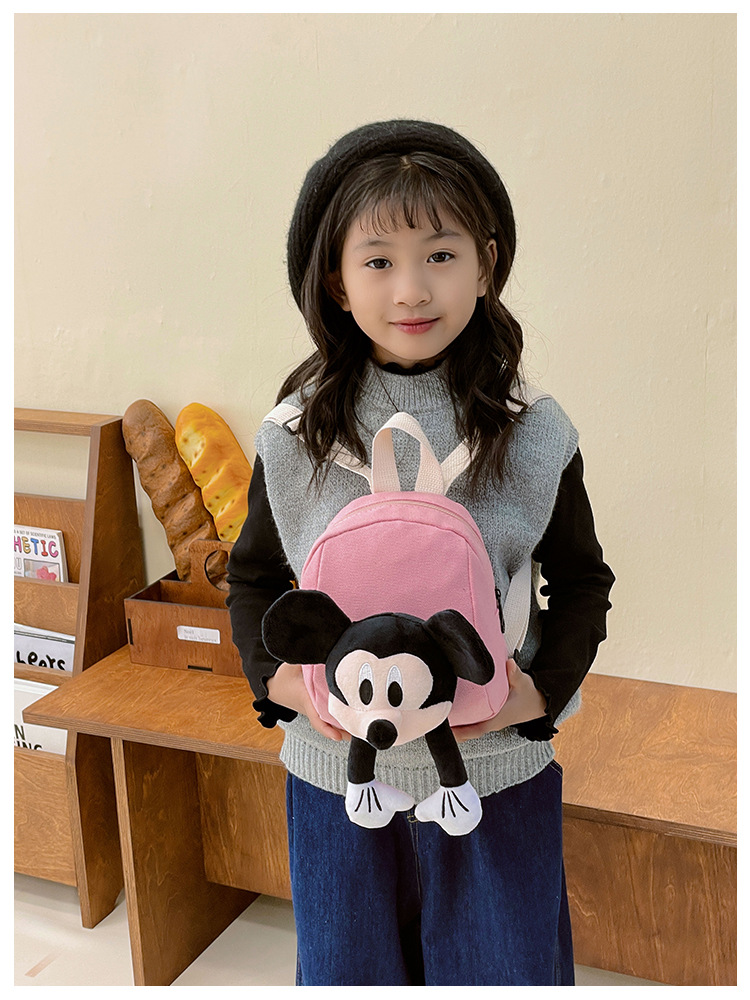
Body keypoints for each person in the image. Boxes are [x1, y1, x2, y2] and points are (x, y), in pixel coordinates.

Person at [226, 119, 615, 986]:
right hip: (336, 781)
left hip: (494, 776)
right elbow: (252, 577)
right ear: (335, 280)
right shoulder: (293, 434)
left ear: (485, 264)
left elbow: (582, 581)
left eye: (440, 254)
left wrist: (540, 695)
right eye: (378, 261)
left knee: (503, 975)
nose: (411, 289)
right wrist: (274, 681)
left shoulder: (534, 429)